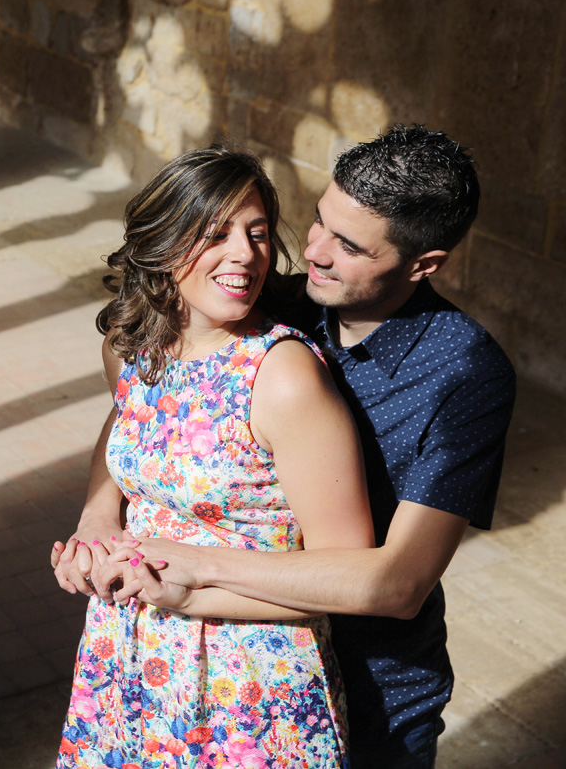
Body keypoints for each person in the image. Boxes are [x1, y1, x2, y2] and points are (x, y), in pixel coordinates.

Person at [77, 125, 517, 768]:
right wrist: (99, 510)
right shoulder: (279, 297)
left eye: (349, 244)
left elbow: (398, 583)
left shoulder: (465, 372)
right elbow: (143, 407)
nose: (313, 252)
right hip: (201, 658)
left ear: (423, 264)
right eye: (318, 221)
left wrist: (197, 566)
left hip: (375, 688)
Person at [52, 146, 376, 769]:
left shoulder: (282, 377)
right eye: (215, 233)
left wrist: (191, 587)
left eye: (257, 234)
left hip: (249, 688)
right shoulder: (132, 349)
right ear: (162, 244)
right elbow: (124, 426)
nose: (245, 255)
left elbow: (344, 573)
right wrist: (98, 518)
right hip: (127, 664)